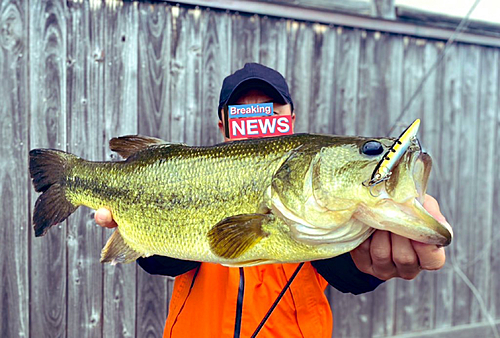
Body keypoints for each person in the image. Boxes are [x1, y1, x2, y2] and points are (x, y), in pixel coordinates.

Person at [95, 63, 449, 337]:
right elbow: (167, 264)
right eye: (242, 110)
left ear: (291, 119)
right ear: (223, 125)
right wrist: (135, 224)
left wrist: (371, 256)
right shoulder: (192, 171)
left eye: (269, 107)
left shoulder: (312, 184)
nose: (256, 117)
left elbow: (344, 273)